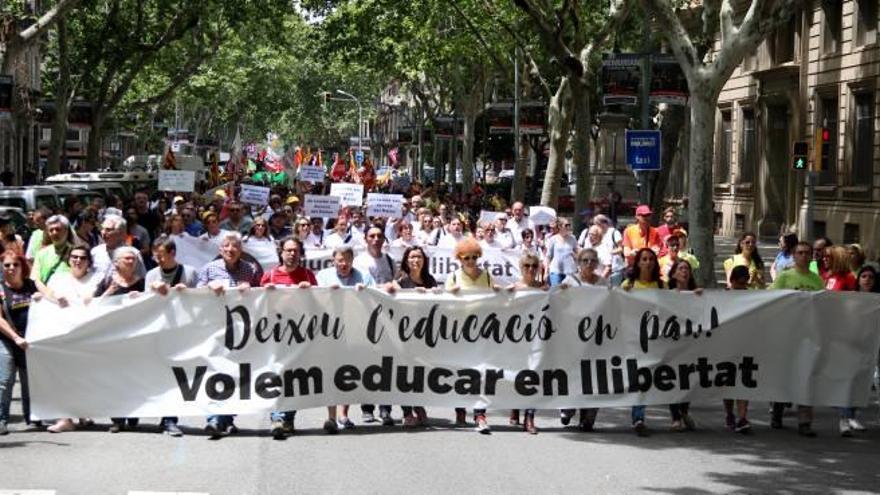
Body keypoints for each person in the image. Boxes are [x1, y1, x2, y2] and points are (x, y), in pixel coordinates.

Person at [196, 232, 261, 438]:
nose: (230, 250)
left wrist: (251, 288)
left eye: (235, 247)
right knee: (216, 372)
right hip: (216, 330)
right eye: (226, 246)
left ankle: (227, 419)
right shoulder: (208, 269)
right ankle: (214, 419)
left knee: (238, 375)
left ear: (241, 251)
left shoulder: (249, 270)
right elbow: (195, 296)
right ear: (220, 250)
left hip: (242, 331)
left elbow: (261, 295)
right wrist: (208, 287)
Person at [260, 237, 319, 438]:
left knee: (294, 379)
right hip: (275, 335)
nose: (292, 254)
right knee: (276, 376)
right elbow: (259, 306)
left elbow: (318, 305)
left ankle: (288, 419)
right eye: (288, 250)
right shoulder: (269, 276)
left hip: (300, 335)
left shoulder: (308, 276)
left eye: (295, 251)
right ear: (281, 252)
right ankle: (277, 417)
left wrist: (309, 293)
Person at [144, 236, 198, 437]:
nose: (158, 260)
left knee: (177, 376)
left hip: (182, 332)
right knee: (160, 375)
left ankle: (170, 419)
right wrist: (152, 291)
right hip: (159, 331)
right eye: (155, 256)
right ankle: (163, 416)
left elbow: (202, 303)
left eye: (162, 256)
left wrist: (188, 293)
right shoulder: (151, 275)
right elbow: (144, 304)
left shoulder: (189, 273)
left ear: (173, 253)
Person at [769, 241, 823, 437]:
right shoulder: (784, 277)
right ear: (793, 255)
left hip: (809, 335)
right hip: (788, 334)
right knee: (786, 374)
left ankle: (805, 421)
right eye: (800, 253)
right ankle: (777, 411)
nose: (804, 256)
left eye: (807, 253)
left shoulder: (817, 281)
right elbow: (770, 300)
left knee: (807, 377)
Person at [316, 246, 373, 431]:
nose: (343, 264)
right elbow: (314, 297)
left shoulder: (363, 276)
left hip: (355, 331)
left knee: (348, 373)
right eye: (340, 260)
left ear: (352, 260)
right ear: (333, 260)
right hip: (330, 331)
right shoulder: (323, 276)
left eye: (347, 260)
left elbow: (377, 297)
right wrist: (326, 291)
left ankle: (344, 414)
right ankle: (331, 417)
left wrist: (366, 291)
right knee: (331, 372)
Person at [445, 238, 499, 434]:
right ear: (459, 258)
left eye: (474, 257)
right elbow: (443, 303)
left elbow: (497, 296)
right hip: (459, 331)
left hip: (483, 331)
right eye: (466, 257)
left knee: (481, 372)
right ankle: (459, 408)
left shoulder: (486, 276)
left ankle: (480, 414)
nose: (470, 260)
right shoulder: (453, 276)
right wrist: (450, 294)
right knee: (460, 371)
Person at [93, 246, 145, 433]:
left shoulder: (142, 282)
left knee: (134, 377)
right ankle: (117, 418)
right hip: (112, 338)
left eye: (133, 258)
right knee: (114, 378)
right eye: (127, 259)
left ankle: (133, 414)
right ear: (116, 263)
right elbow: (92, 306)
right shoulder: (107, 281)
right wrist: (109, 292)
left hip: (134, 337)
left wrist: (141, 297)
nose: (131, 262)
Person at [353, 225, 397, 425]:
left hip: (388, 316)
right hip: (367, 315)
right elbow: (361, 287)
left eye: (380, 236)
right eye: (372, 236)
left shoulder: (389, 260)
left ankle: (386, 408)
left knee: (388, 363)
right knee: (368, 363)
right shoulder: (360, 261)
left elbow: (395, 283)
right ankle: (367, 407)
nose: (376, 239)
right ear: (365, 239)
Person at [388, 246, 436, 427]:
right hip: (404, 335)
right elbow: (388, 294)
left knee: (420, 373)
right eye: (412, 257)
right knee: (404, 373)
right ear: (406, 261)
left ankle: (419, 405)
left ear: (424, 260)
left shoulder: (430, 281)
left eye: (419, 257)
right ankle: (407, 411)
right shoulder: (400, 282)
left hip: (424, 334)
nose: (416, 260)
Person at [621, 248, 665, 436]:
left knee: (645, 378)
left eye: (650, 259)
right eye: (644, 259)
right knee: (636, 377)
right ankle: (637, 416)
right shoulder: (628, 284)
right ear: (638, 263)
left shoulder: (662, 286)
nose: (647, 262)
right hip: (632, 338)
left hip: (655, 339)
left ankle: (639, 416)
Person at [820, 245, 860, 436]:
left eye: (828, 256)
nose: (824, 259)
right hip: (826, 331)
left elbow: (853, 305)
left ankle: (845, 418)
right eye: (824, 256)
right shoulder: (827, 276)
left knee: (844, 374)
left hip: (843, 332)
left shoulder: (849, 278)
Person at [0, 251, 39, 435]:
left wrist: (45, 298)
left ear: (22, 266)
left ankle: (32, 417)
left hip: (30, 341)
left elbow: (51, 298)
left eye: (15, 264)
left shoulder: (32, 286)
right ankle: (1, 420)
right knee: (5, 380)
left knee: (29, 380)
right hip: (6, 339)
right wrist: (15, 338)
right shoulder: (0, 289)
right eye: (7, 265)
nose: (11, 268)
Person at [666, 259, 701, 432]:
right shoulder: (667, 294)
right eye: (680, 269)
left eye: (687, 269)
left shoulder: (697, 294)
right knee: (673, 379)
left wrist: (702, 297)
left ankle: (684, 411)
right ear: (674, 273)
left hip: (691, 342)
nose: (684, 271)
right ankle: (676, 417)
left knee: (688, 379)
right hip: (673, 342)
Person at [722, 265, 752, 433]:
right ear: (731, 281)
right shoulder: (721, 297)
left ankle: (742, 417)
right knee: (728, 382)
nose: (741, 288)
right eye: (738, 284)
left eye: (744, 284)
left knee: (744, 380)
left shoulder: (750, 297)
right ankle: (729, 413)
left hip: (745, 344)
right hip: (726, 345)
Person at [30, 215, 74, 293]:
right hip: (48, 298)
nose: (54, 233)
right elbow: (37, 280)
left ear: (66, 231)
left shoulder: (76, 252)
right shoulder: (41, 254)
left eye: (58, 229)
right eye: (51, 230)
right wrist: (51, 295)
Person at [544, 217, 578, 286]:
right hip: (556, 271)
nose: (568, 227)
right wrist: (546, 272)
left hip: (570, 271)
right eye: (566, 225)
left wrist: (575, 256)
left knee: (569, 294)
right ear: (559, 226)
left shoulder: (573, 238)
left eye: (569, 225)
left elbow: (577, 253)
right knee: (556, 293)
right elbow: (548, 256)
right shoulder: (553, 239)